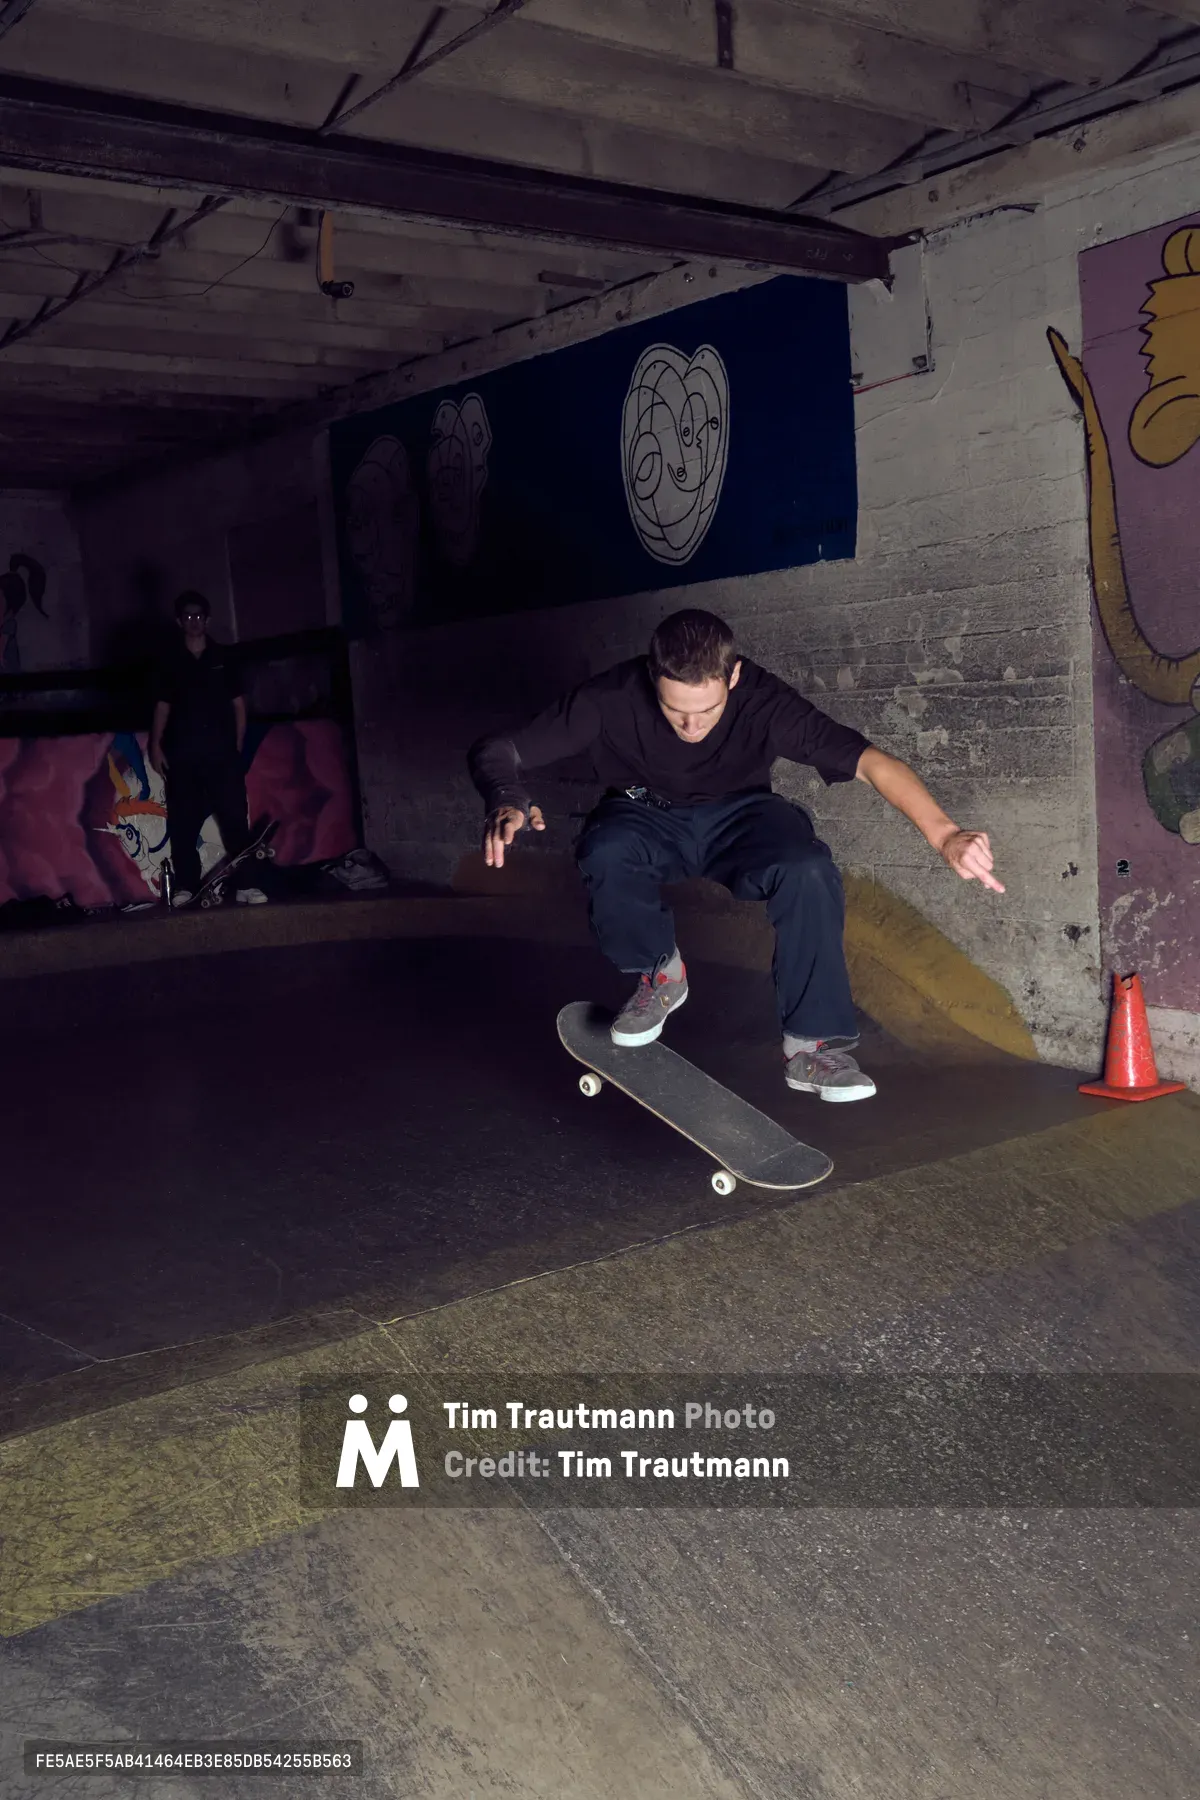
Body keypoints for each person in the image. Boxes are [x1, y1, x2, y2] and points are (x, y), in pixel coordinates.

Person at [468, 608, 1002, 1102]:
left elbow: (870, 763)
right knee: (604, 847)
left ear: (733, 678)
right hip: (643, 816)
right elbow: (500, 749)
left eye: (707, 710)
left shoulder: (765, 700)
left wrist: (945, 834)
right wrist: (506, 796)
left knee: (807, 868)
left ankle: (812, 1051)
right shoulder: (608, 697)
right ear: (652, 676)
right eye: (675, 710)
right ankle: (660, 973)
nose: (692, 727)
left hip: (741, 817)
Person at [148, 591, 267, 907]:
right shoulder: (170, 660)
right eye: (188, 616)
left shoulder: (223, 657)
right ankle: (187, 887)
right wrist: (155, 745)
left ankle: (246, 885)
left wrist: (237, 743)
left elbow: (239, 705)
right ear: (179, 621)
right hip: (183, 754)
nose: (194, 622)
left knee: (233, 819)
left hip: (221, 755)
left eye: (199, 616)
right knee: (183, 822)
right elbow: (162, 706)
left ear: (208, 619)